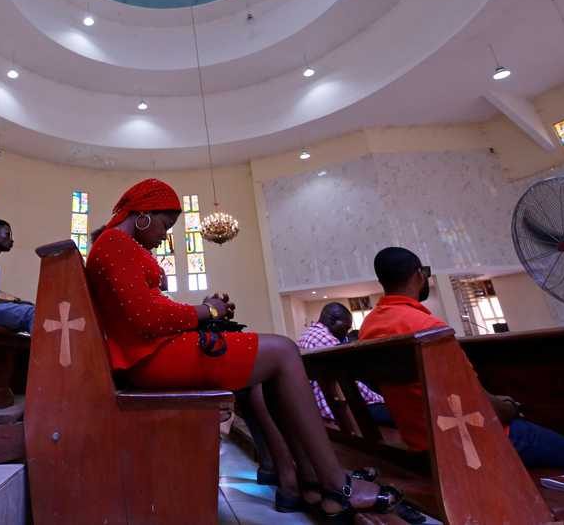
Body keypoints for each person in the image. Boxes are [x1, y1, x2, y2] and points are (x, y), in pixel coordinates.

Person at [86, 179, 402, 519]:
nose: (165, 236)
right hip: (150, 359)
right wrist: (206, 312)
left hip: (150, 354)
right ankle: (337, 484)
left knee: (272, 359)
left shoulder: (115, 244)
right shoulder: (116, 243)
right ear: (143, 215)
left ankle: (307, 478)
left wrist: (206, 311)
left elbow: (144, 312)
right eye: (165, 225)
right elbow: (146, 318)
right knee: (282, 352)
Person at [360, 246, 564, 476]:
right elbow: (477, 402)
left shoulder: (369, 327)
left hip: (422, 443)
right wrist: (509, 407)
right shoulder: (427, 328)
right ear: (419, 275)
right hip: (475, 442)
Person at [298, 302, 393, 426]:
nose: (346, 332)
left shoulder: (307, 335)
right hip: (341, 409)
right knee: (398, 414)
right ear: (333, 321)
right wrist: (381, 399)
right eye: (346, 327)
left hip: (321, 406)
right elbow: (350, 384)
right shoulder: (327, 341)